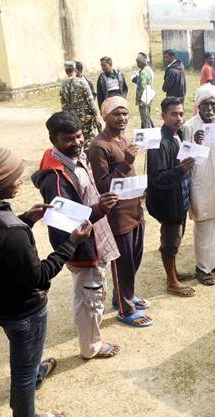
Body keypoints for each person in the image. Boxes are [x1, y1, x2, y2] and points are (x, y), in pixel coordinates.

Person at [0, 143, 87, 417]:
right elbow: (38, 275)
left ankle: (35, 368)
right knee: (22, 373)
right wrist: (71, 243)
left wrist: (26, 218)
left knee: (26, 356)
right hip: (25, 310)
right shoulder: (10, 230)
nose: (20, 181)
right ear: (0, 182)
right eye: (15, 177)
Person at [31, 111, 122, 360]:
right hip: (83, 247)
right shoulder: (55, 178)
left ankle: (91, 340)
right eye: (68, 139)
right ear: (54, 140)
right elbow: (67, 222)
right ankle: (90, 348)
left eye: (79, 136)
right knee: (89, 298)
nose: (77, 142)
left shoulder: (71, 158)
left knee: (91, 294)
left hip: (95, 237)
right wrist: (100, 208)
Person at [88, 97, 152, 328]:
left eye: (125, 113)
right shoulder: (99, 146)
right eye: (117, 114)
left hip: (134, 210)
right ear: (105, 116)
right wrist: (126, 162)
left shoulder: (123, 139)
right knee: (121, 263)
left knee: (134, 259)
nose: (122, 118)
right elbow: (103, 186)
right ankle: (125, 309)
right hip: (117, 216)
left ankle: (124, 296)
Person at [146, 97, 197, 297]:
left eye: (181, 113)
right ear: (163, 116)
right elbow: (157, 178)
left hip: (181, 197)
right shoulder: (159, 142)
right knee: (170, 241)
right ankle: (171, 281)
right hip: (168, 202)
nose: (179, 118)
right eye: (173, 114)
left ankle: (174, 272)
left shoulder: (180, 134)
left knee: (177, 237)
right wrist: (180, 170)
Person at [181, 84, 215, 285]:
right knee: (203, 226)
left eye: (213, 105)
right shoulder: (189, 127)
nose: (209, 109)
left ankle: (214, 262)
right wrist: (195, 143)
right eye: (205, 105)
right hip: (199, 182)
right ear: (198, 106)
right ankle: (202, 268)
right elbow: (184, 160)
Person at [60, 60, 100, 148]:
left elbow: (63, 106)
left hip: (72, 118)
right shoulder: (82, 82)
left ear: (66, 71)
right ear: (75, 69)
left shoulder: (62, 85)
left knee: (76, 139)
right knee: (88, 139)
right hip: (86, 118)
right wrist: (96, 116)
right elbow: (91, 101)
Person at [133, 52, 155, 129]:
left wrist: (139, 100)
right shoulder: (149, 70)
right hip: (149, 96)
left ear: (143, 62)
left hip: (144, 98)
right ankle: (151, 130)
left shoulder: (143, 72)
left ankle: (149, 134)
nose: (137, 64)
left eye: (138, 62)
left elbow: (141, 87)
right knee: (147, 117)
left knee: (145, 119)